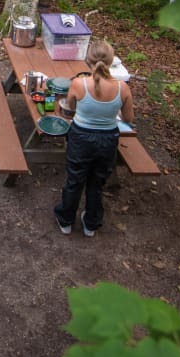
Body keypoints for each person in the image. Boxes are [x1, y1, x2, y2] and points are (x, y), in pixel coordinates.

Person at [54, 40, 134, 237]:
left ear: (87, 60)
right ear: (111, 61)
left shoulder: (78, 84)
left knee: (74, 180)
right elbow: (129, 119)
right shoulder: (122, 88)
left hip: (81, 137)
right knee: (97, 183)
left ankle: (65, 221)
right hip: (107, 139)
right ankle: (91, 224)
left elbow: (70, 108)